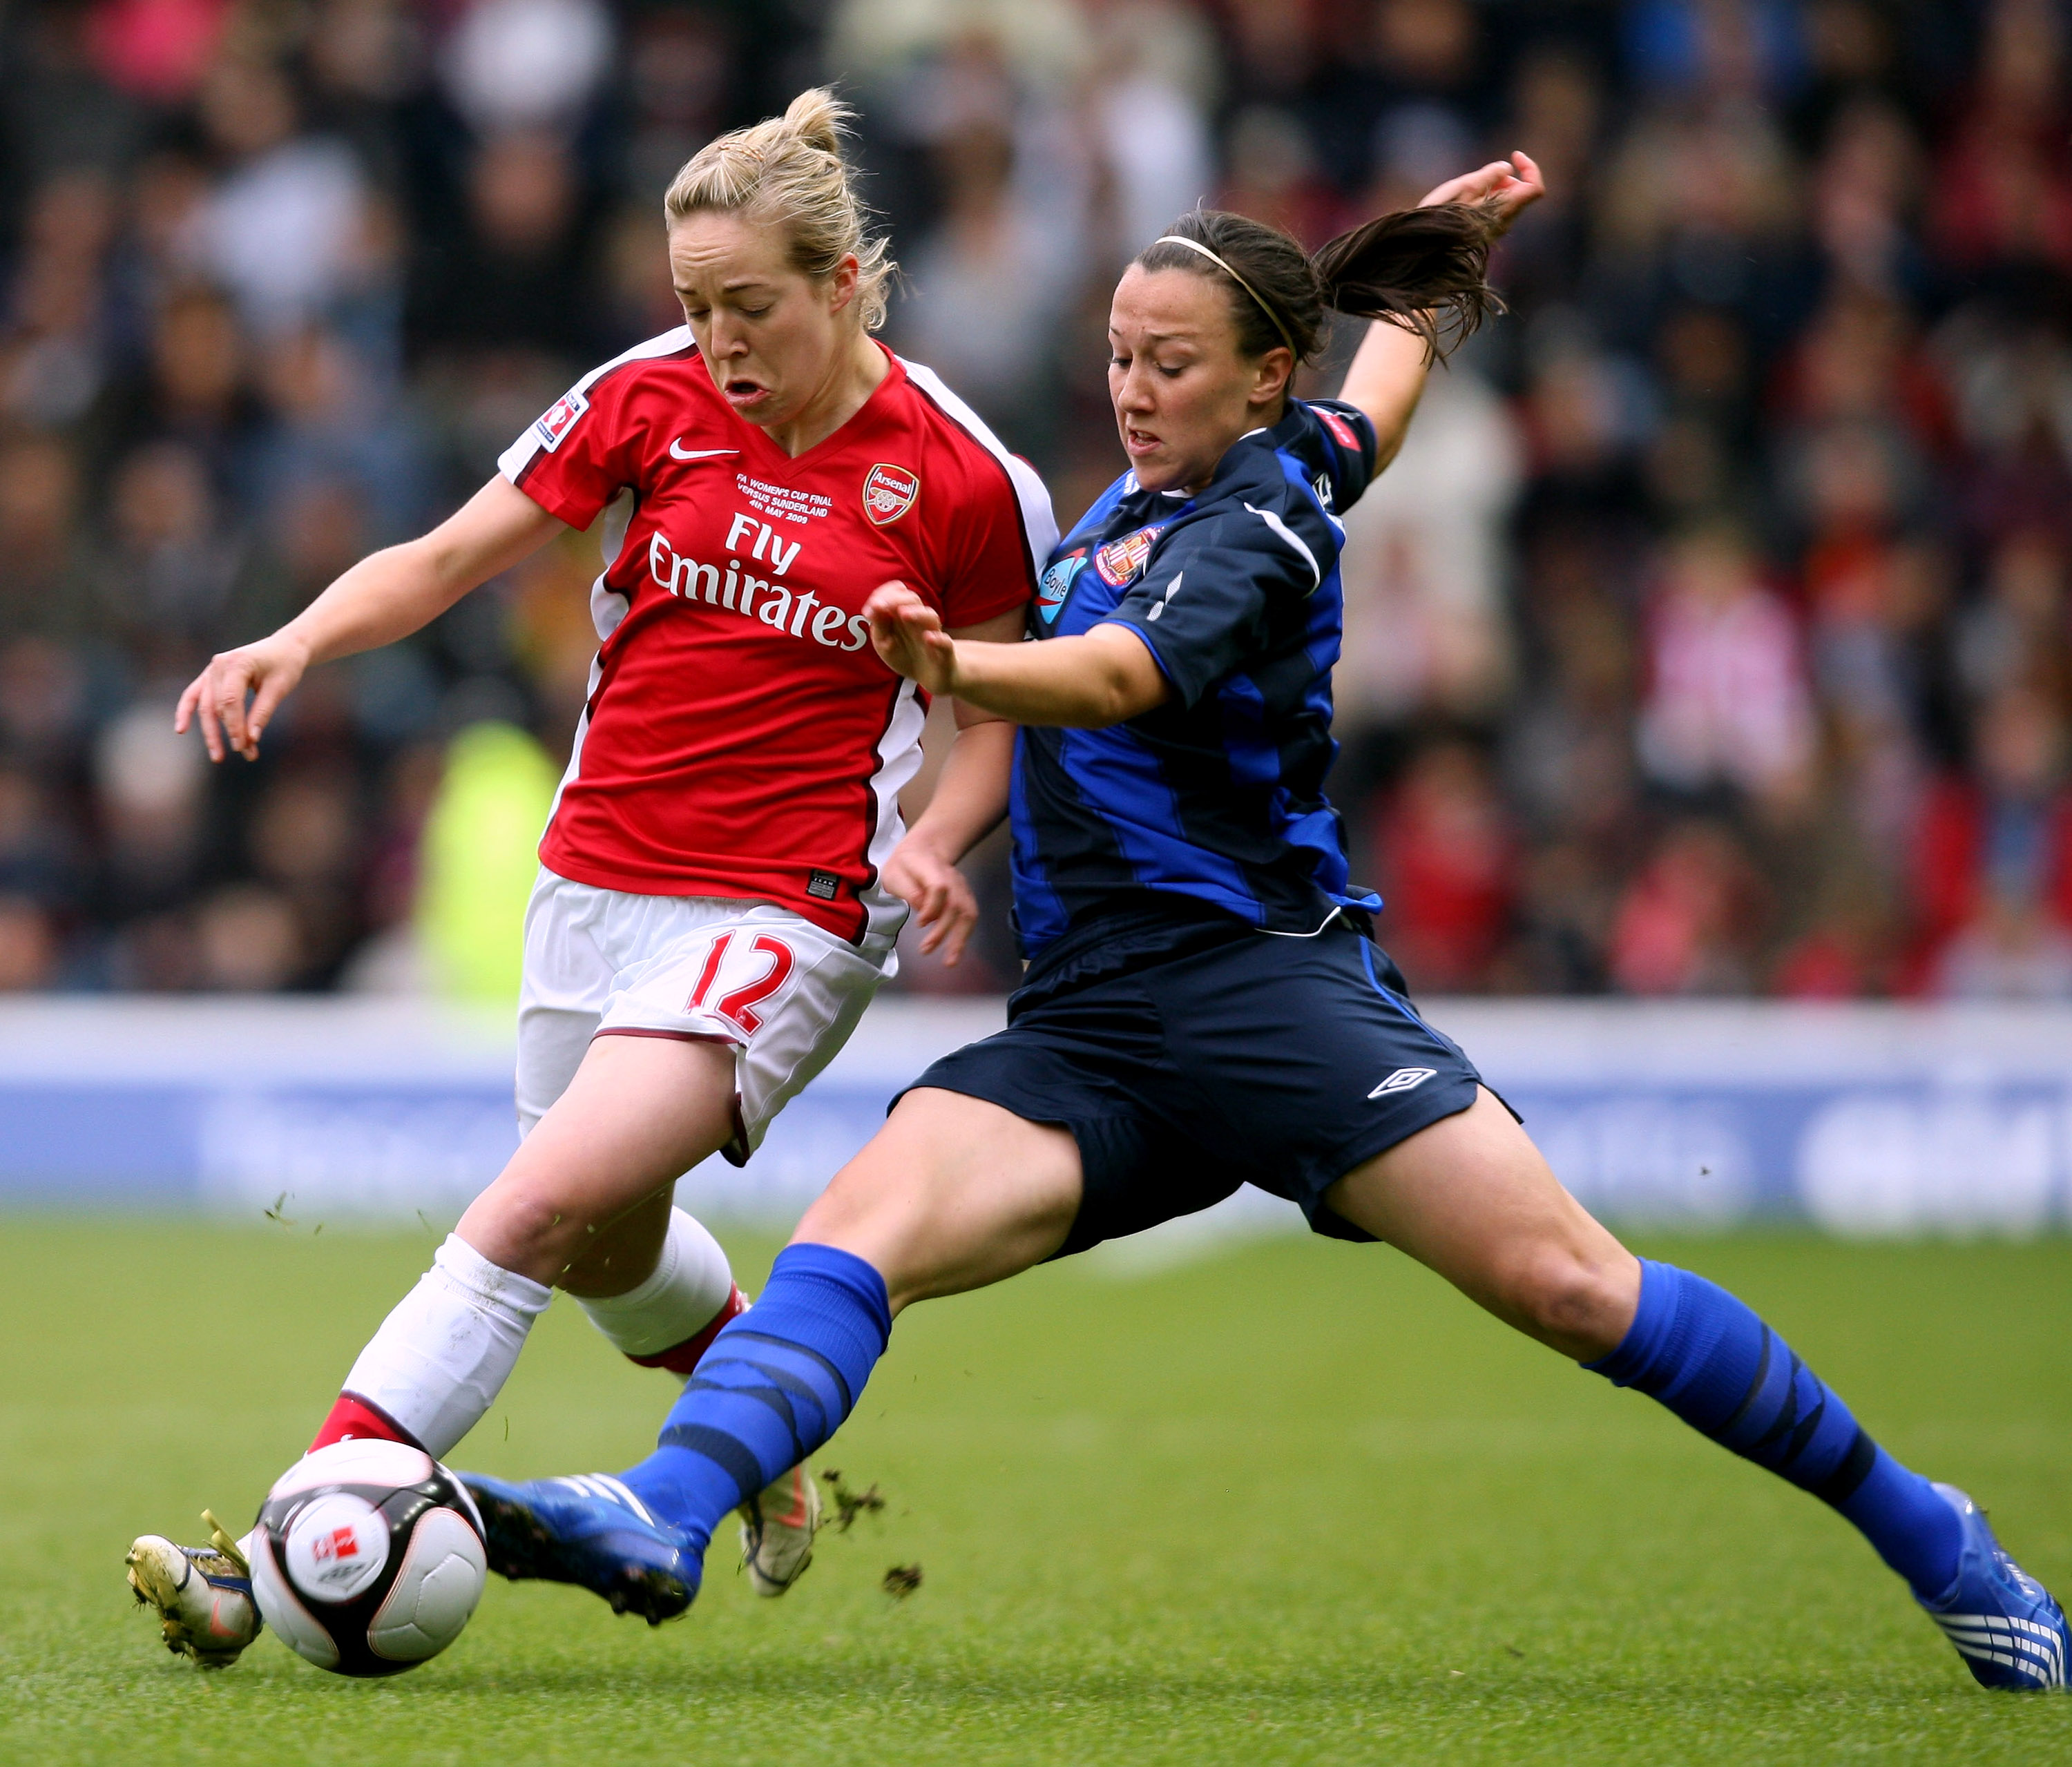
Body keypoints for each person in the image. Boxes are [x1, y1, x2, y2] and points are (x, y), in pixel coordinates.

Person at [457, 150, 2070, 1694]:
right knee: (851, 1235)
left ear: (1256, 380)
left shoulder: (1259, 523)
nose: (1133, 389)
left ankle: (1938, 1531)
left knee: (1579, 1289)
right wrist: (1439, 266)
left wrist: (953, 665)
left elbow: (1117, 678)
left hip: (1272, 1000)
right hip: (1095, 1029)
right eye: (1116, 356)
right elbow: (1382, 395)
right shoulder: (1211, 479)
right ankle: (665, 1510)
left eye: (1170, 363)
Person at [124, 90, 1057, 1668]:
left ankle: (286, 1543)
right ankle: (760, 1437)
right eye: (693, 305)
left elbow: (993, 715)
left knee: (535, 1204)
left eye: (748, 305)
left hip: (793, 907)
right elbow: (441, 557)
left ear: (841, 282)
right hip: (597, 884)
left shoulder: (966, 480)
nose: (719, 339)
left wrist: (936, 841)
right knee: (608, 1244)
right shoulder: (646, 396)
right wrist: (291, 638)